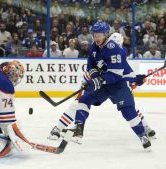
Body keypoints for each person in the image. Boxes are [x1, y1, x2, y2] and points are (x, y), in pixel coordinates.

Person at [48, 22, 154, 151]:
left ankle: (143, 135)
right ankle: (78, 130)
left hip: (117, 85)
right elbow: (90, 65)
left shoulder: (115, 50)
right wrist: (94, 78)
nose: (97, 38)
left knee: (127, 110)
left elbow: (117, 75)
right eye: (95, 35)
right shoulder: (94, 46)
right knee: (83, 100)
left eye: (99, 35)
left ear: (106, 35)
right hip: (103, 84)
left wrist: (135, 79)